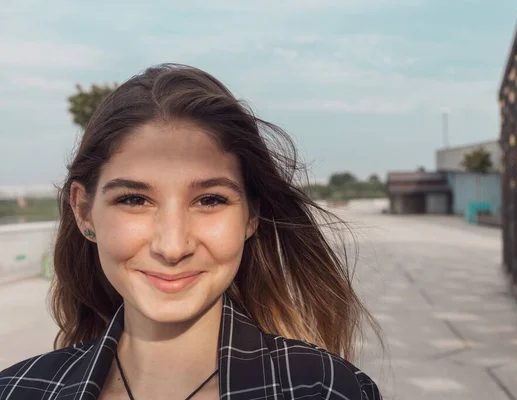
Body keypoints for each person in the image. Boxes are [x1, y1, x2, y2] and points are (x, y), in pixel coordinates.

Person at [0, 64, 382, 400]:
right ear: (84, 210)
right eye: (134, 199)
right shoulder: (18, 389)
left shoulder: (326, 389)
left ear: (251, 215)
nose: (172, 246)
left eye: (210, 200)